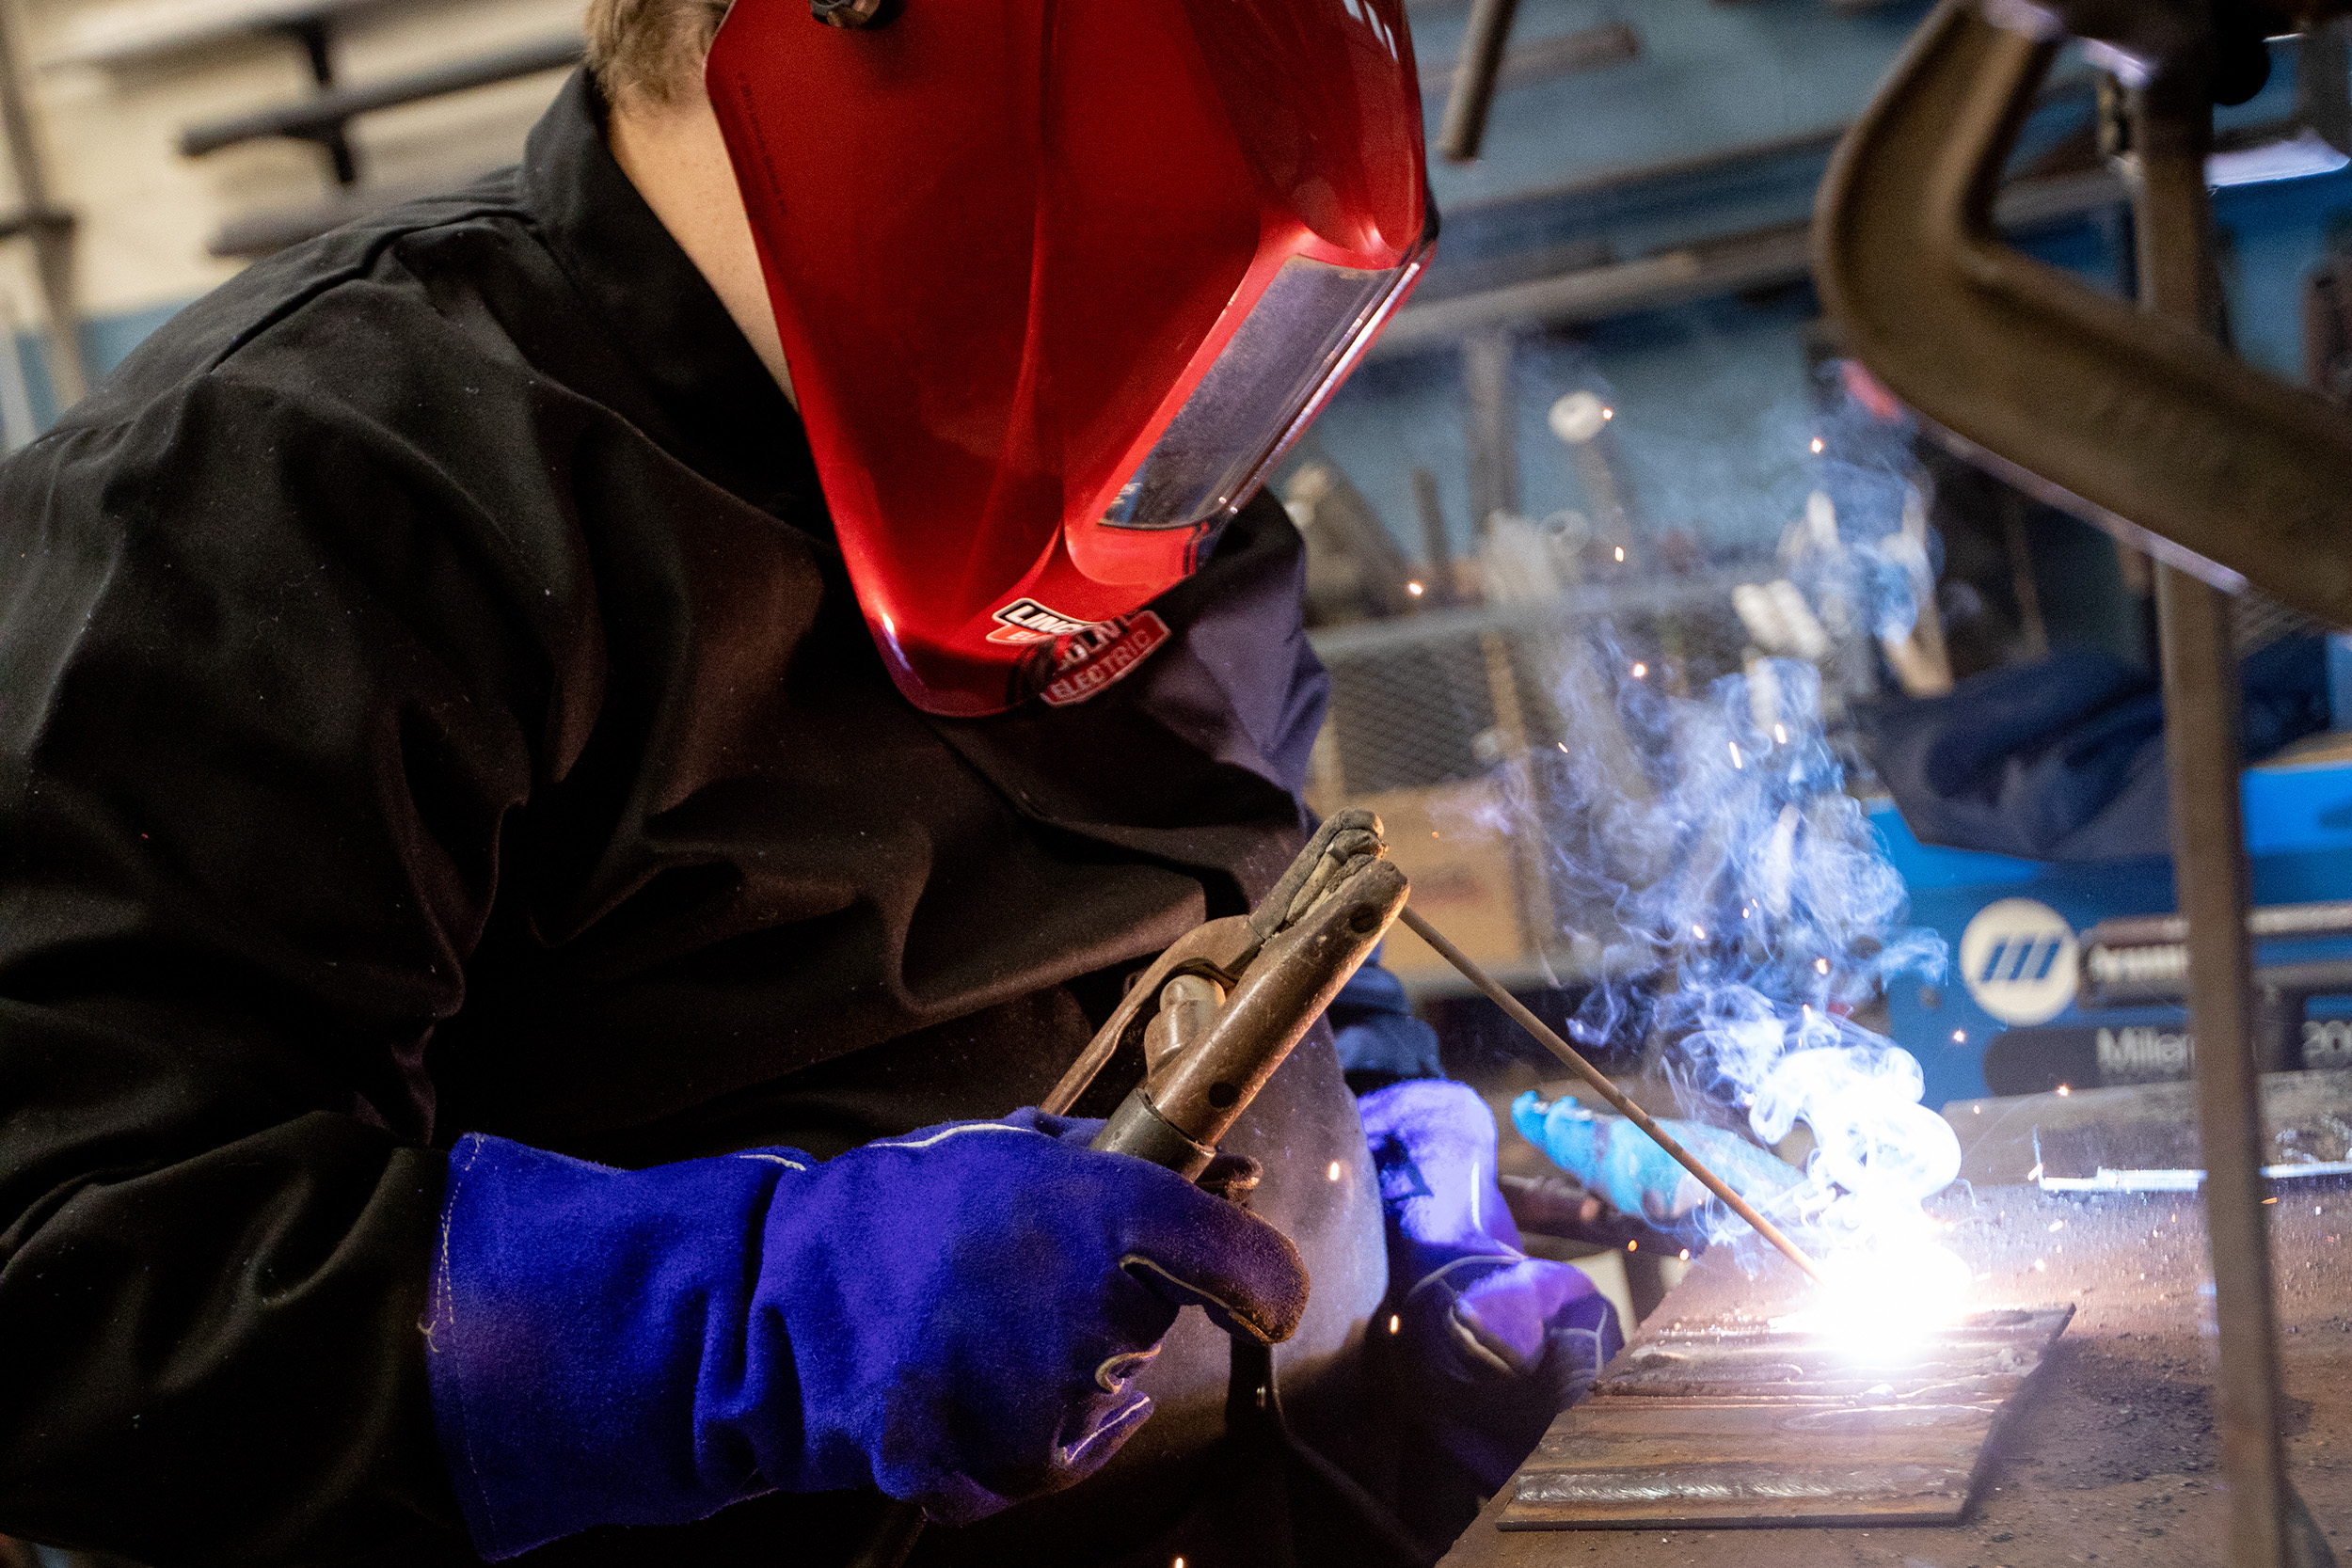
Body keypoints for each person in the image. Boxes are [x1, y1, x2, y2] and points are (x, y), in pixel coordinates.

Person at [0, 3, 1619, 1564]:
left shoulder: (1151, 433)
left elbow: (1257, 879)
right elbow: (61, 1275)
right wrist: (761, 1316)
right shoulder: (309, 487)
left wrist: (1398, 1170)